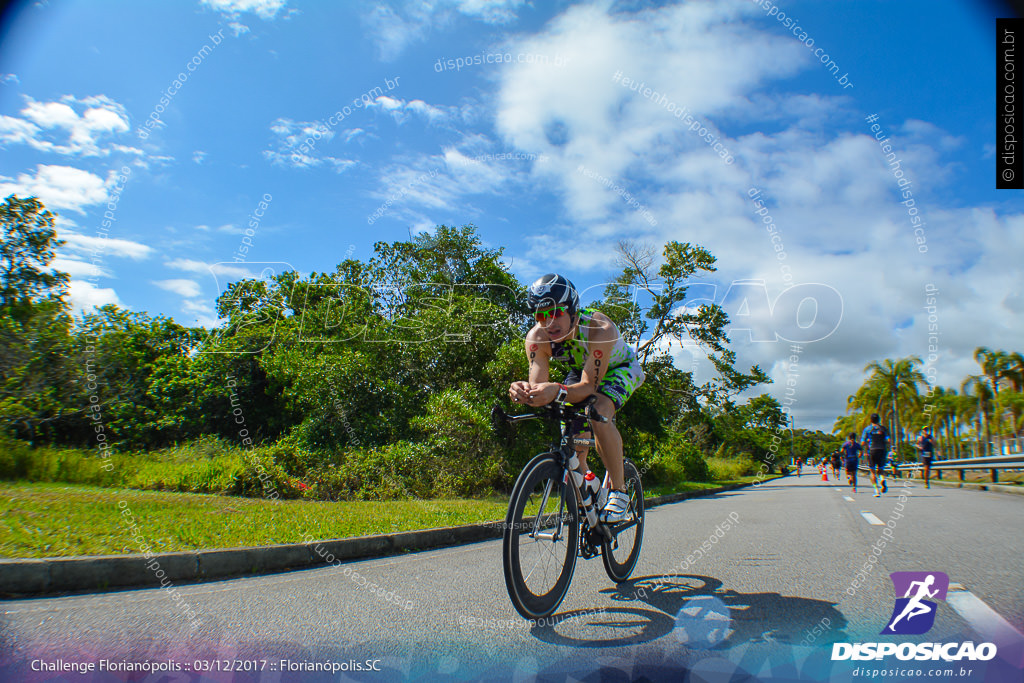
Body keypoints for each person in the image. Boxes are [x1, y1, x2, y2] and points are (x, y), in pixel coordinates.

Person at [508, 274, 646, 523]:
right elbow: (540, 387)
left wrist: (556, 391)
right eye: (540, 316)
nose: (549, 322)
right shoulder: (537, 338)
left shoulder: (599, 329)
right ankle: (591, 488)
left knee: (599, 413)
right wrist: (525, 392)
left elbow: (589, 387)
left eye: (556, 312)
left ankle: (620, 493)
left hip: (619, 368)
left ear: (573, 310)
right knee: (572, 440)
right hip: (582, 372)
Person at [861, 413, 890, 497]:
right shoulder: (883, 429)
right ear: (879, 420)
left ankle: (876, 490)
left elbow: (863, 442)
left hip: (872, 451)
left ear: (871, 420)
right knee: (880, 470)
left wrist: (862, 446)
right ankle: (882, 479)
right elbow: (888, 440)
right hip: (882, 450)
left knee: (872, 472)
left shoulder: (868, 429)